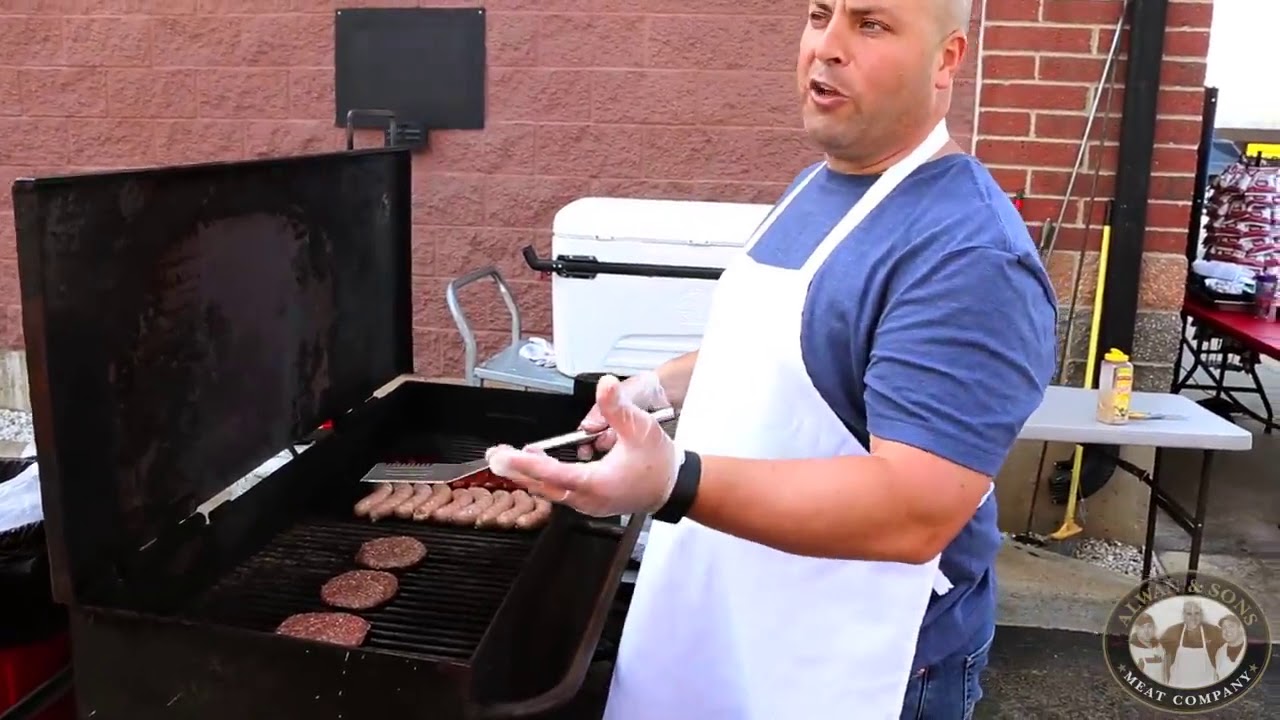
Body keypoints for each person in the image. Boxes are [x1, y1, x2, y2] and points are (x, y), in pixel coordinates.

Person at [486, 0, 1058, 717]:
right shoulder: (818, 185)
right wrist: (649, 392)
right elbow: (778, 346)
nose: (828, 47)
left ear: (947, 58)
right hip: (722, 615)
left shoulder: (967, 254)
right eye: (821, 14)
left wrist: (674, 479)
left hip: (848, 664)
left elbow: (914, 511)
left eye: (871, 24)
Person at [1159, 599, 1225, 689]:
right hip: (1178, 687)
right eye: (1189, 614)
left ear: (1201, 614)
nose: (1193, 618)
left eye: (1196, 613)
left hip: (1207, 687)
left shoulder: (1213, 631)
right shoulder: (1173, 631)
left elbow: (1229, 646)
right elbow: (1156, 649)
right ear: (1183, 615)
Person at [1129, 613, 1167, 683]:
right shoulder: (1131, 649)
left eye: (1149, 626)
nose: (1146, 631)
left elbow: (1163, 674)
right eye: (1142, 627)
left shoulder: (1159, 647)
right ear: (1137, 629)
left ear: (1154, 628)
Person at [1214, 614, 1246, 679]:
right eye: (1224, 627)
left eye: (1231, 626)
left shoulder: (1253, 649)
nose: (1227, 630)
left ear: (1240, 628)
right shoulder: (1220, 652)